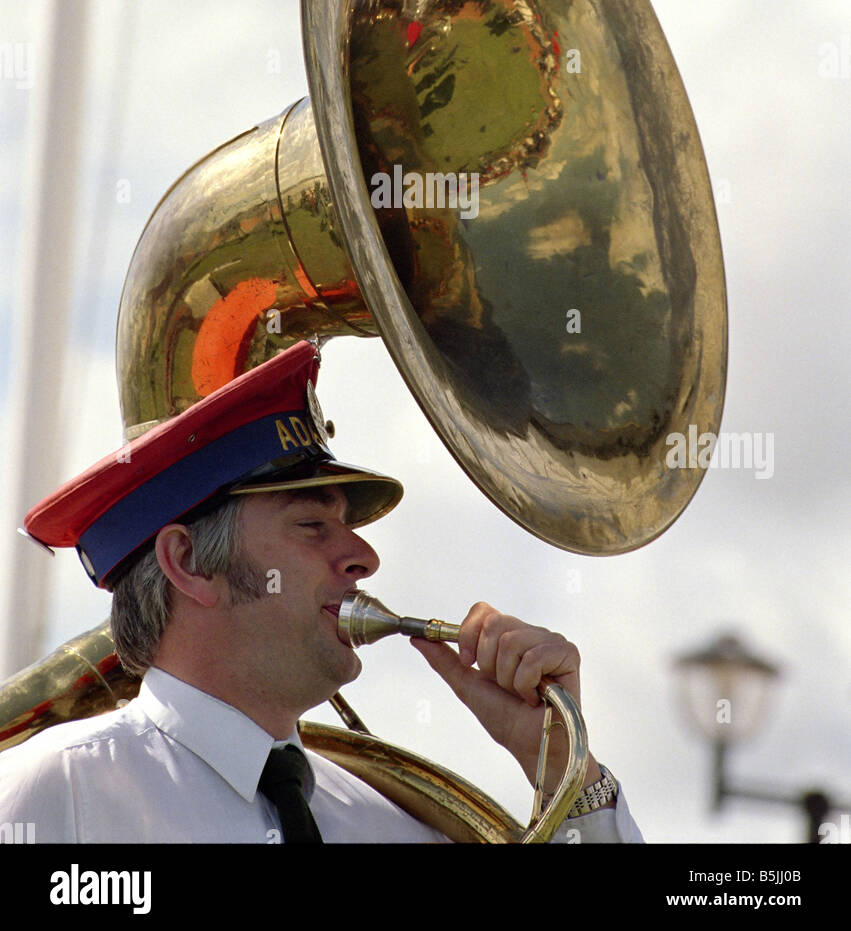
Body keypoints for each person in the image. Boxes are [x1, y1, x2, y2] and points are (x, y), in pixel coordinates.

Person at [0, 340, 642, 843]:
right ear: (189, 561)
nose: (364, 556)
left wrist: (563, 770)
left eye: (347, 526)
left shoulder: (402, 830)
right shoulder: (57, 792)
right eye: (312, 525)